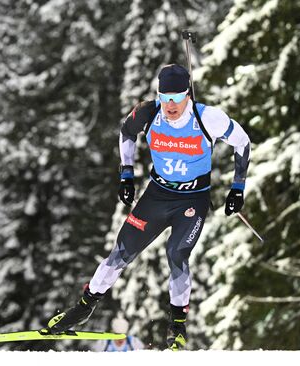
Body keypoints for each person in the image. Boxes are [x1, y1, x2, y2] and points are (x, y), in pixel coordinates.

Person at [41, 64, 251, 350]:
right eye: (165, 98)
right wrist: (126, 174)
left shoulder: (208, 118)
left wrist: (237, 187)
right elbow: (126, 133)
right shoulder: (148, 113)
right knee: (121, 251)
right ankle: (83, 307)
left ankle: (177, 327)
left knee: (177, 253)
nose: (170, 105)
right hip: (157, 196)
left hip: (192, 200)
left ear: (188, 95)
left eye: (177, 98)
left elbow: (242, 141)